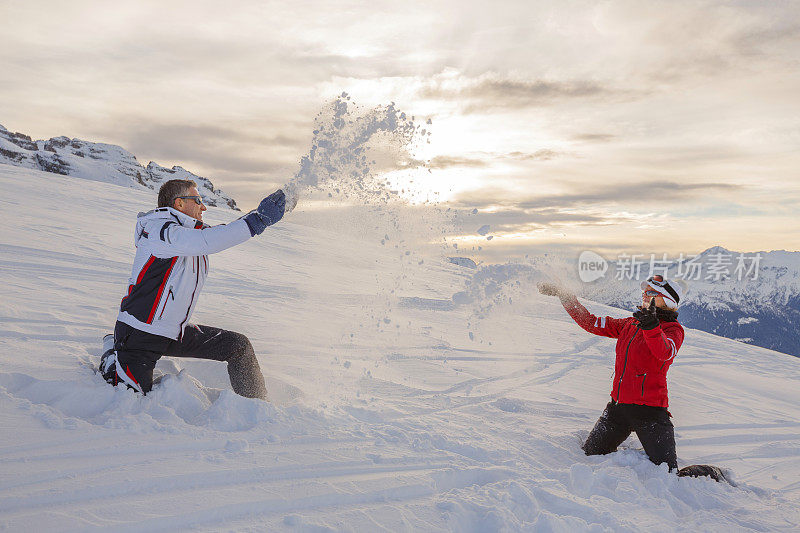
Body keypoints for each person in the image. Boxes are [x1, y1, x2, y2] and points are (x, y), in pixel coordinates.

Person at [99, 179, 286, 400]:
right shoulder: (159, 229)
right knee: (131, 396)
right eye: (198, 200)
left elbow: (219, 234)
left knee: (238, 346)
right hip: (140, 334)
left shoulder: (187, 233)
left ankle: (258, 404)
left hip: (173, 332)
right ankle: (112, 355)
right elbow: (208, 241)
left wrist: (268, 211)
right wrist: (258, 220)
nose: (203, 207)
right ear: (179, 203)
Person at [538, 276, 727, 482]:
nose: (645, 295)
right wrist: (565, 296)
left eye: (652, 293)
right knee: (590, 455)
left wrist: (651, 327)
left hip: (651, 413)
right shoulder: (630, 324)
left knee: (669, 476)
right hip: (617, 409)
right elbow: (591, 322)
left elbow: (664, 352)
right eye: (645, 292)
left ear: (668, 300)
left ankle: (712, 472)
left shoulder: (673, 331)